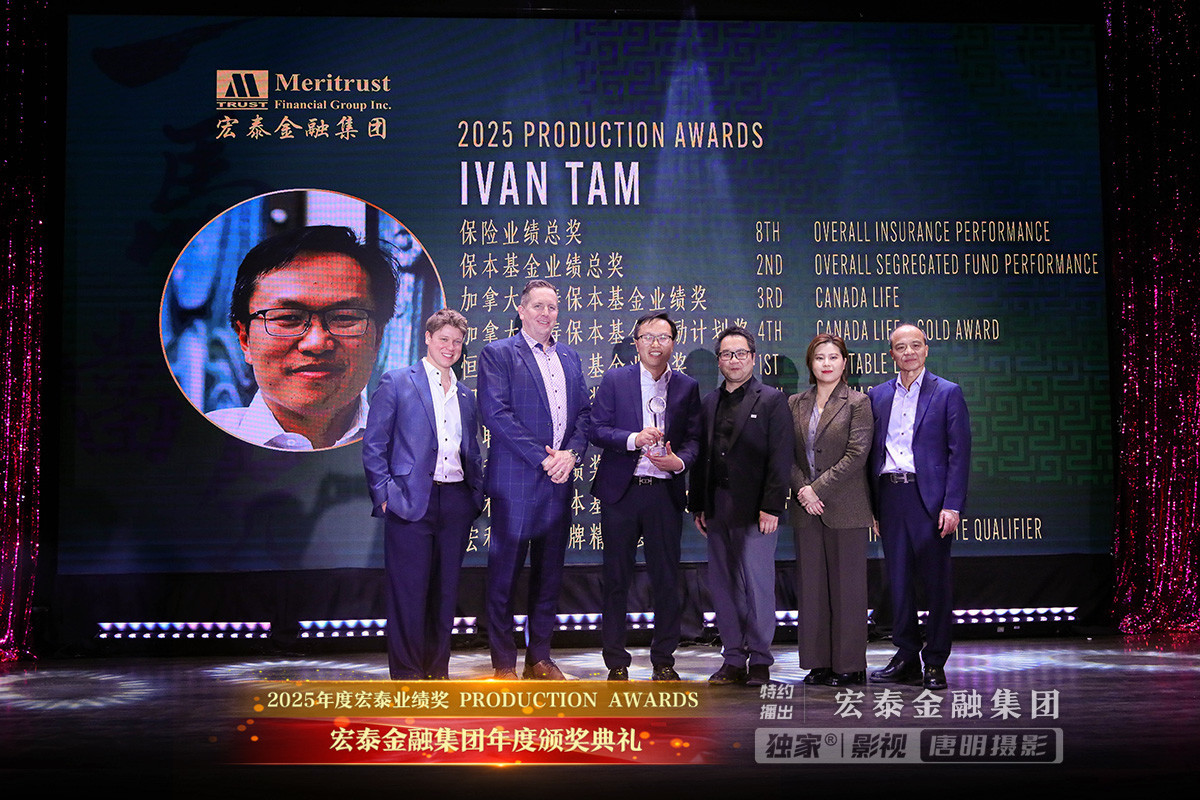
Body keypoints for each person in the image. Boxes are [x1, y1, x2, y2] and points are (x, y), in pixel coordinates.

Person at [477, 279, 591, 680]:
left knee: (549, 573)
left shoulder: (570, 357)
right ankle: (503, 663)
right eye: (538, 306)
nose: (546, 313)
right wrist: (545, 459)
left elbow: (584, 415)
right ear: (521, 310)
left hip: (559, 480)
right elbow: (496, 414)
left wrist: (571, 455)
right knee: (504, 574)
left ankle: (539, 657)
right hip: (516, 481)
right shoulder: (498, 353)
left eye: (552, 307)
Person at [361, 309, 484, 679]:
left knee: (445, 595)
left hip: (456, 502)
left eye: (457, 342)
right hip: (410, 501)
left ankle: (437, 673)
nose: (450, 347)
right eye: (444, 339)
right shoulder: (397, 382)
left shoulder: (465, 394)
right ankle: (408, 677)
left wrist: (475, 496)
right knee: (409, 594)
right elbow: (374, 444)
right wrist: (385, 495)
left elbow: (471, 450)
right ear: (428, 338)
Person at [208, 225, 398, 450]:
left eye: (344, 317)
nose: (317, 343)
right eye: (288, 318)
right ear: (245, 339)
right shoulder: (197, 445)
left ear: (377, 339)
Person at [590, 312, 702, 681]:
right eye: (648, 337)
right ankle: (616, 661)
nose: (656, 344)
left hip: (664, 493)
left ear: (674, 343)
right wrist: (633, 439)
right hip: (621, 492)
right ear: (636, 343)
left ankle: (663, 659)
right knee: (616, 578)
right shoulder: (615, 380)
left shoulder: (686, 386)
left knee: (666, 578)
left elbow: (694, 440)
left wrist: (678, 462)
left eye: (663, 337)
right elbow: (597, 429)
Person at [688, 326, 794, 687]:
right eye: (726, 354)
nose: (733, 360)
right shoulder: (709, 402)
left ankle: (761, 659)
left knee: (757, 585)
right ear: (719, 361)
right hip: (717, 505)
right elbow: (701, 457)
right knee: (724, 585)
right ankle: (733, 658)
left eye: (740, 353)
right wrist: (698, 505)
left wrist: (772, 507)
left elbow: (781, 458)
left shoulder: (772, 400)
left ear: (752, 357)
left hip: (756, 508)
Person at [868, 323, 971, 690]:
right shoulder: (878, 395)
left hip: (930, 499)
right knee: (898, 582)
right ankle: (907, 656)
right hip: (890, 496)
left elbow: (959, 453)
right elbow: (871, 454)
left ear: (926, 350)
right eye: (901, 347)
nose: (908, 352)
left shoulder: (947, 392)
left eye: (915, 345)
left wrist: (952, 505)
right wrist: (874, 508)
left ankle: (936, 660)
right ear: (891, 354)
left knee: (936, 584)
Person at [789, 334, 874, 687]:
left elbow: (857, 455)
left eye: (833, 357)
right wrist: (803, 491)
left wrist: (816, 489)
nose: (826, 363)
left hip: (846, 506)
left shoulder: (858, 402)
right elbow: (786, 454)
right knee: (812, 589)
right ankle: (818, 663)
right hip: (805, 508)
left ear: (844, 362)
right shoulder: (794, 403)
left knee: (848, 589)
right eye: (819, 357)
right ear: (810, 363)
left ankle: (849, 665)